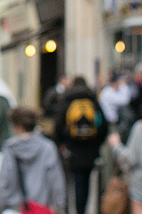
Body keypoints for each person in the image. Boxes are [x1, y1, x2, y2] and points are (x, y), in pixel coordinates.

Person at [0, 106, 66, 214]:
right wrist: (58, 205)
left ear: (17, 126)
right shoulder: (47, 147)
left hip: (14, 208)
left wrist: (0, 204)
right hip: (41, 208)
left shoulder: (10, 148)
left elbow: (4, 179)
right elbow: (56, 180)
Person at [56, 76, 108, 214]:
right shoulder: (93, 100)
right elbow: (103, 126)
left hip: (73, 149)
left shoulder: (67, 100)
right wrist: (97, 143)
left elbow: (58, 125)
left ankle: (73, 209)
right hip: (90, 150)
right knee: (86, 182)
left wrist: (63, 143)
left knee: (73, 182)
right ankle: (83, 209)